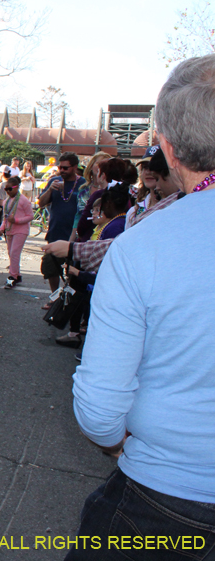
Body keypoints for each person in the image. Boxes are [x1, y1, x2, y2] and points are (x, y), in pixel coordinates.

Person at [67, 55, 215, 560]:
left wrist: (117, 443)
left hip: (167, 502)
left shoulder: (145, 247)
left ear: (169, 150)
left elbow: (100, 409)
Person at [37, 153, 85, 307]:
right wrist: (50, 189)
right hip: (55, 232)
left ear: (75, 167)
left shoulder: (83, 184)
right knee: (51, 268)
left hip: (74, 235)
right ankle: (55, 298)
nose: (62, 170)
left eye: (65, 167)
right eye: (60, 167)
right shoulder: (54, 181)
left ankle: (70, 300)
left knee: (72, 270)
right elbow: (41, 203)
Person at [1, 176, 32, 288]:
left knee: (14, 252)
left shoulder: (24, 200)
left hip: (21, 230)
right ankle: (17, 275)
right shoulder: (6, 201)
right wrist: (2, 228)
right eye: (6, 189)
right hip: (10, 230)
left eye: (10, 189)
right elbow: (5, 217)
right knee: (11, 253)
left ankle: (12, 276)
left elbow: (30, 216)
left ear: (17, 187)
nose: (8, 192)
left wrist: (17, 220)